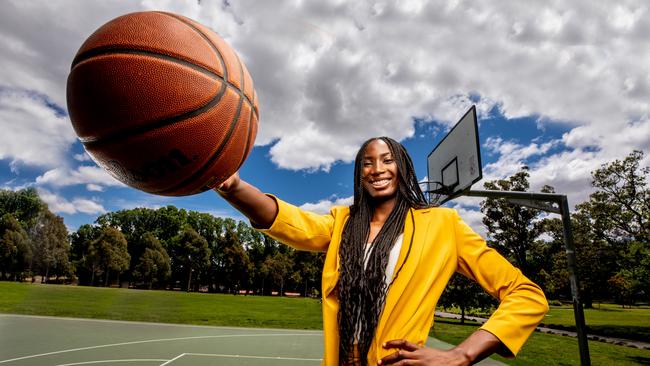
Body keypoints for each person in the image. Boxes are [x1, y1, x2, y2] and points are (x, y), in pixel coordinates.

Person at [215, 137, 548, 366]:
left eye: (388, 160)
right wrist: (234, 189)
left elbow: (526, 296)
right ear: (359, 174)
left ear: (402, 167)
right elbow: (292, 222)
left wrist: (461, 355)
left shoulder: (443, 224)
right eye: (367, 163)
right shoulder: (344, 221)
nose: (377, 169)